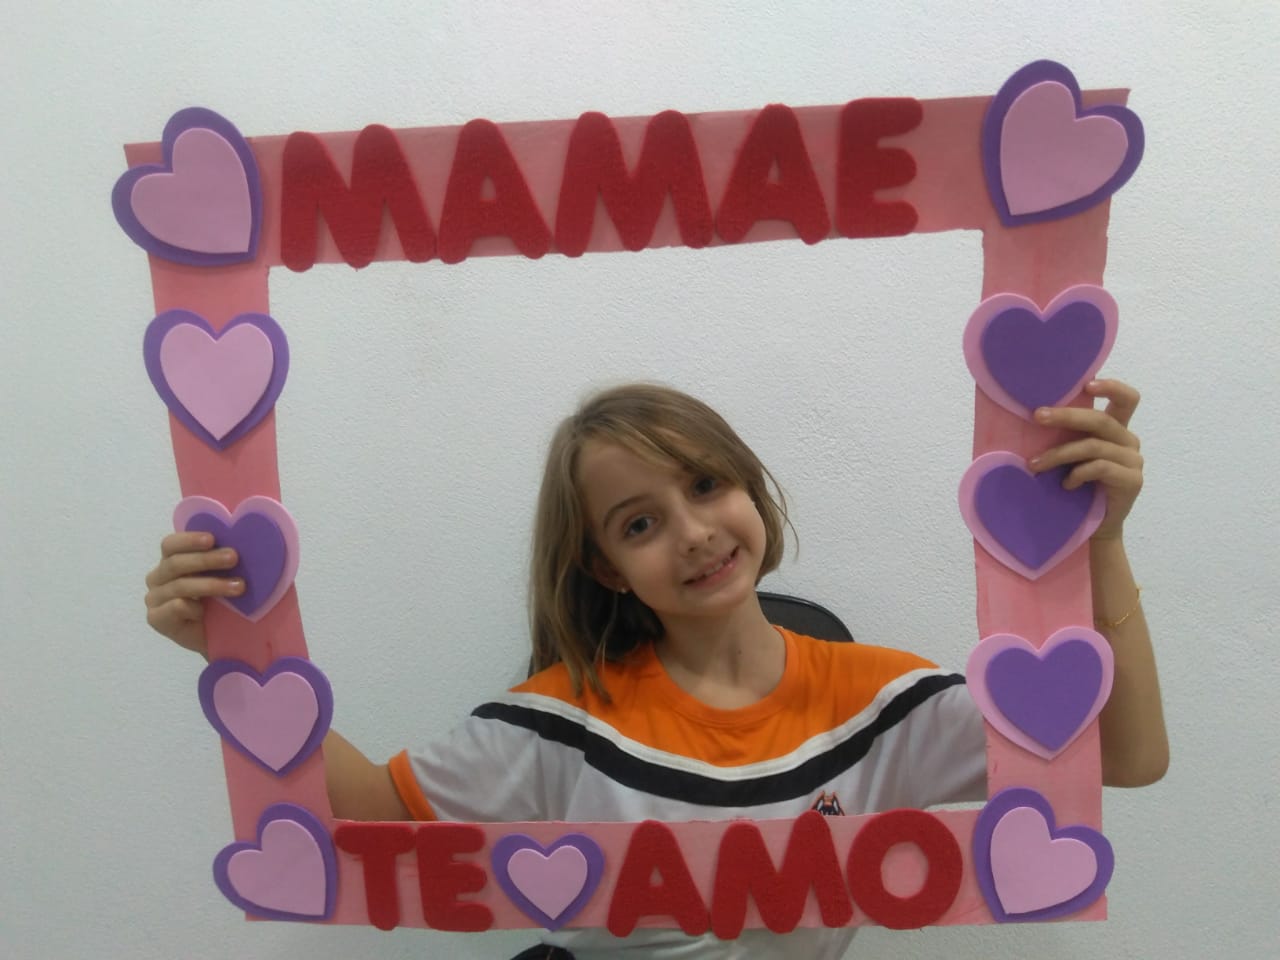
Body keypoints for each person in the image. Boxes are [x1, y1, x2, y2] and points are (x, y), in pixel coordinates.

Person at [144, 380, 1168, 959]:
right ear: (604, 566)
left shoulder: (880, 701)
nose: (693, 532)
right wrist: (236, 652)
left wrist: (1100, 542)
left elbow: (1125, 758)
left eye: (707, 485)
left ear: (750, 490)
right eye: (640, 523)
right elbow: (366, 816)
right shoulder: (561, 723)